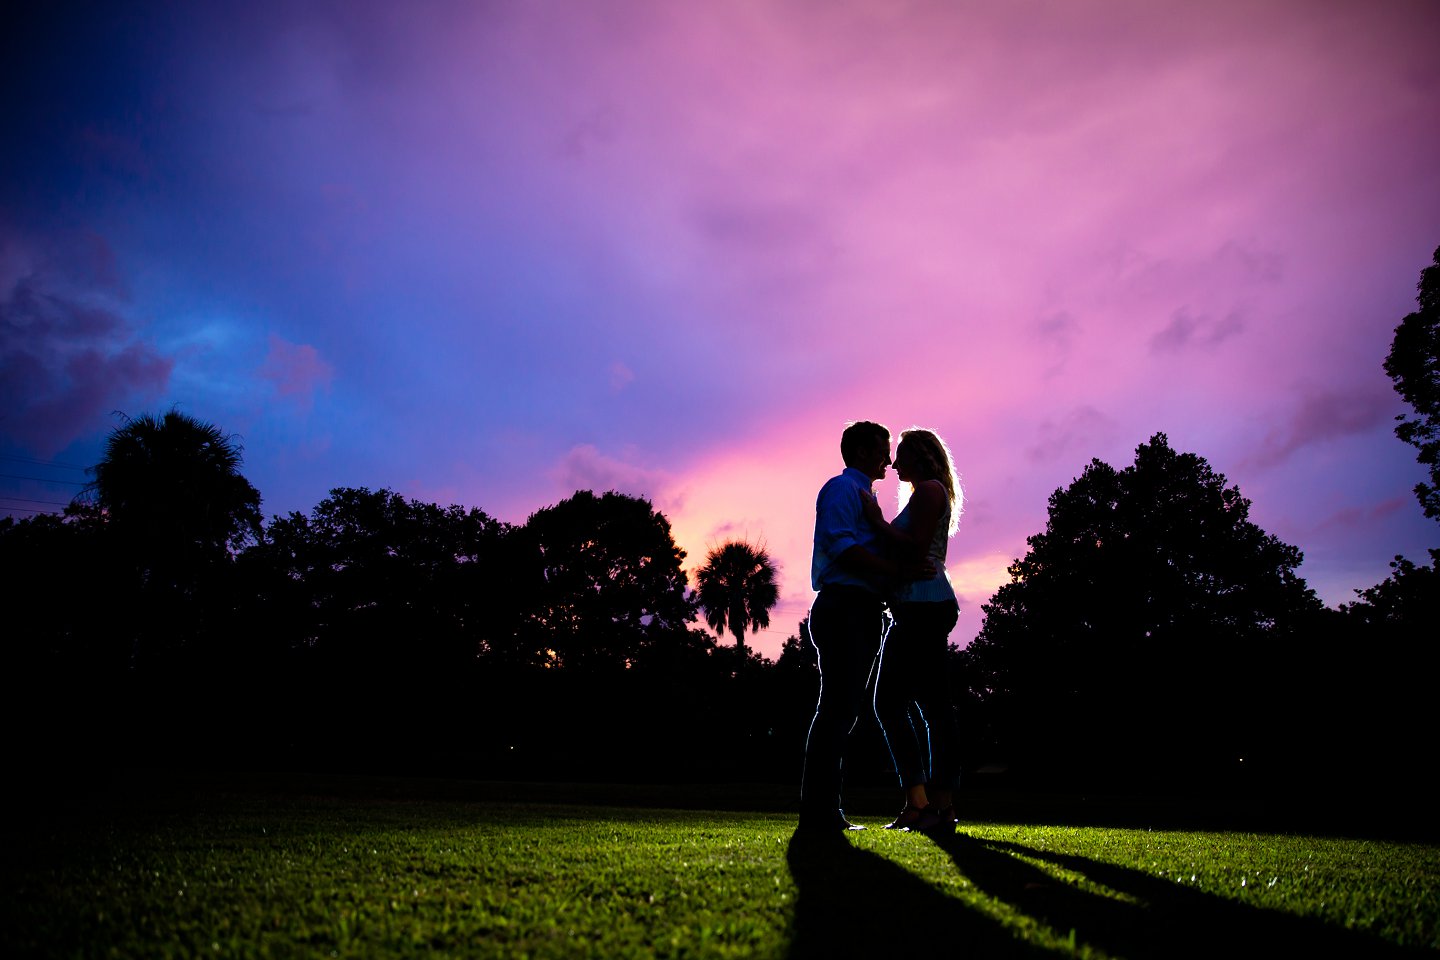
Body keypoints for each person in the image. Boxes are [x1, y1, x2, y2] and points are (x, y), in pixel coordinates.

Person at [798, 420, 914, 840]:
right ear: (863, 451)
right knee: (836, 710)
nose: (889, 458)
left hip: (859, 609)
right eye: (884, 449)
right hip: (844, 606)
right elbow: (840, 544)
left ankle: (825, 809)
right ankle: (820, 811)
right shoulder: (842, 490)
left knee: (840, 711)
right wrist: (890, 575)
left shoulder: (863, 495)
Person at [864, 427, 963, 834]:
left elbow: (916, 547)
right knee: (928, 706)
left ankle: (928, 803)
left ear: (920, 456)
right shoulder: (926, 492)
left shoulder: (929, 491)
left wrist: (876, 523)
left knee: (898, 703)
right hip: (918, 606)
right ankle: (929, 804)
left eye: (899, 454)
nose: (892, 463)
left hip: (925, 606)